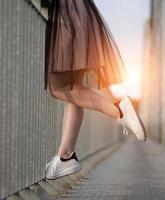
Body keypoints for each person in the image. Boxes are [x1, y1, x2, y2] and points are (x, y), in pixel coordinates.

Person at [43, 0, 147, 180]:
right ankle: (66, 156)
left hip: (67, 13)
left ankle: (119, 111)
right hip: (81, 13)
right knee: (73, 91)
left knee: (59, 87)